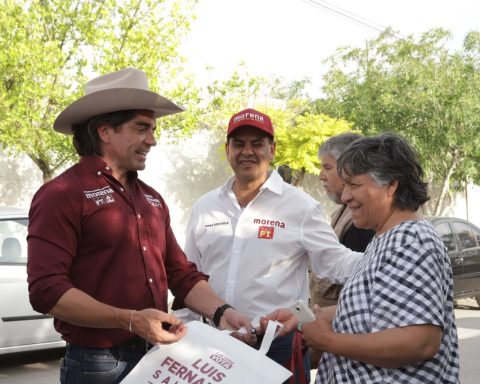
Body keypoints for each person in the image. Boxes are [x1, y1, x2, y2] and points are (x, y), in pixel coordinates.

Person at [27, 68, 254, 384]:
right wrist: (130, 320)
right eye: (142, 129)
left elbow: (180, 273)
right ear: (105, 132)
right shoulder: (62, 195)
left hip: (156, 355)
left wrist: (222, 312)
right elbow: (45, 290)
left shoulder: (151, 198)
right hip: (97, 365)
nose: (153, 140)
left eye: (153, 129)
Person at [178, 108, 362, 383]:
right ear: (228, 150)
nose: (247, 152)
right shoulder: (205, 207)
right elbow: (189, 276)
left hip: (279, 344)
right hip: (215, 344)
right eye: (239, 144)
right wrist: (186, 331)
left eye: (257, 144)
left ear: (272, 149)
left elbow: (336, 262)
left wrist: (385, 260)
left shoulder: (299, 206)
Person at [263, 133, 460, 383]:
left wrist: (329, 341)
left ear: (391, 185)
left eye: (354, 185)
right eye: (344, 185)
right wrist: (308, 316)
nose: (345, 196)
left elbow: (420, 341)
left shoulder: (412, 240)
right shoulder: (386, 238)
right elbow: (379, 307)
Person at [308, 132, 375, 368]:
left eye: (327, 167)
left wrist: (326, 339)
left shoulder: (363, 222)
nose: (320, 176)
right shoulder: (342, 214)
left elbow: (421, 342)